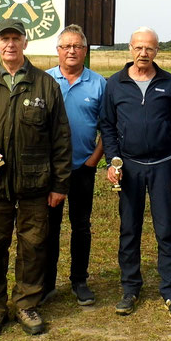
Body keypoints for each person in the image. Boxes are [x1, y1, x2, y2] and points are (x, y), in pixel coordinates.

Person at [0, 19, 72, 337]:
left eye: (16, 38)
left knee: (33, 246)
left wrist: (60, 184)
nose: (10, 44)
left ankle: (26, 303)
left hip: (36, 187)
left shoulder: (45, 84)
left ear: (26, 43)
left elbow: (61, 138)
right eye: (4, 38)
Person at [99, 27, 171, 320]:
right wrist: (113, 160)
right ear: (130, 49)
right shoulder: (115, 84)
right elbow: (108, 126)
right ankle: (130, 289)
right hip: (130, 167)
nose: (143, 53)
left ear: (156, 51)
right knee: (129, 230)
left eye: (149, 48)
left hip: (164, 165)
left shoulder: (169, 83)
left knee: (166, 231)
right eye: (138, 48)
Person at [44, 24, 105, 306]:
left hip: (83, 167)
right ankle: (46, 283)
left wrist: (94, 160)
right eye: (66, 46)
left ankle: (79, 280)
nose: (71, 51)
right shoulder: (44, 82)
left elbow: (108, 127)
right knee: (48, 227)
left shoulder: (99, 84)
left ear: (85, 50)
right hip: (50, 170)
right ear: (57, 51)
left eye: (77, 46)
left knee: (81, 226)